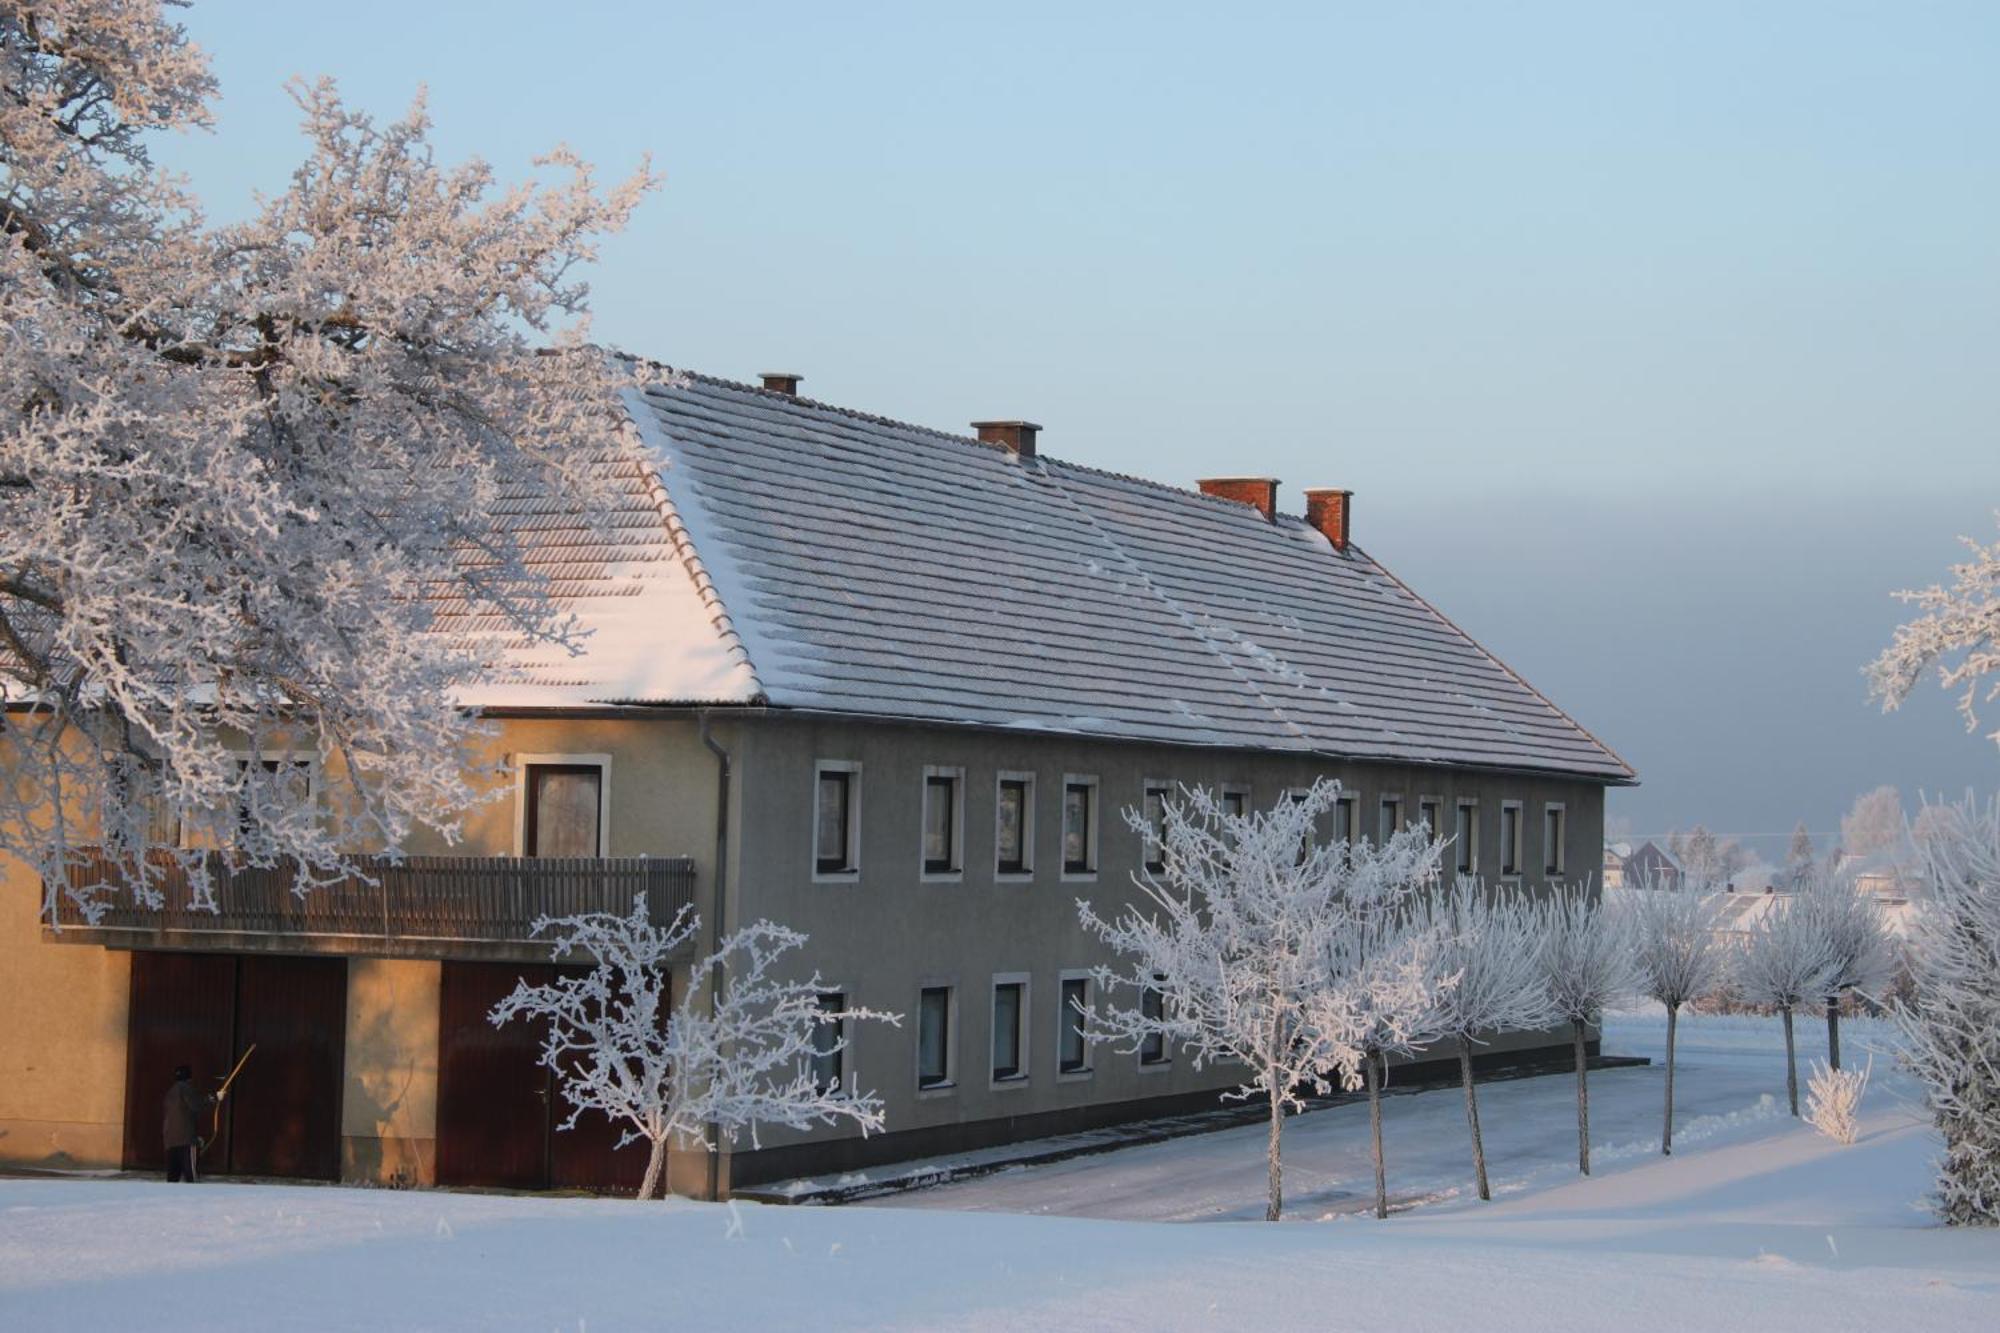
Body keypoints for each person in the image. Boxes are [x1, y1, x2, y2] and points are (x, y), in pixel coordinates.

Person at [162, 1064, 220, 1183]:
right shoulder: (186, 1088)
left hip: (170, 1141)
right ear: (189, 1078)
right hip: (186, 1141)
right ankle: (192, 1201)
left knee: (172, 1179)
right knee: (191, 1179)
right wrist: (214, 1097)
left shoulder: (170, 1092)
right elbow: (197, 1105)